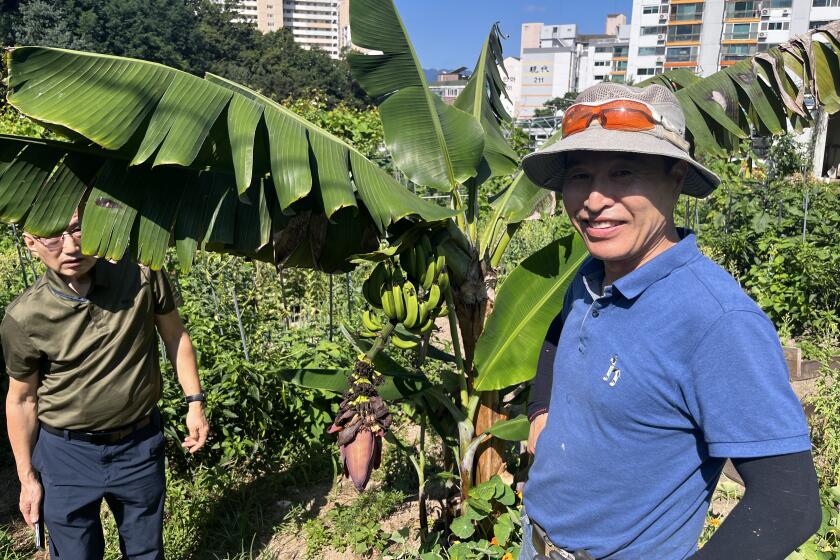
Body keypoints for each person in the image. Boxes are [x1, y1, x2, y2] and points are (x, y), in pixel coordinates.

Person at [518, 83, 821, 559]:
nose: (595, 199)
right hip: (535, 539)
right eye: (579, 175)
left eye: (623, 172)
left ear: (676, 177)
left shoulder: (715, 321)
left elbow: (789, 503)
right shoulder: (593, 274)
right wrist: (541, 409)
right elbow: (560, 330)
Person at [3, 210, 209, 559]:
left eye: (77, 230)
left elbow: (174, 336)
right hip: (66, 454)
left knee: (146, 552)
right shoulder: (24, 317)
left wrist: (195, 403)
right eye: (53, 236)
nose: (71, 247)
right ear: (31, 244)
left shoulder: (141, 273)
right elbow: (21, 401)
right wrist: (27, 479)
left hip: (138, 445)